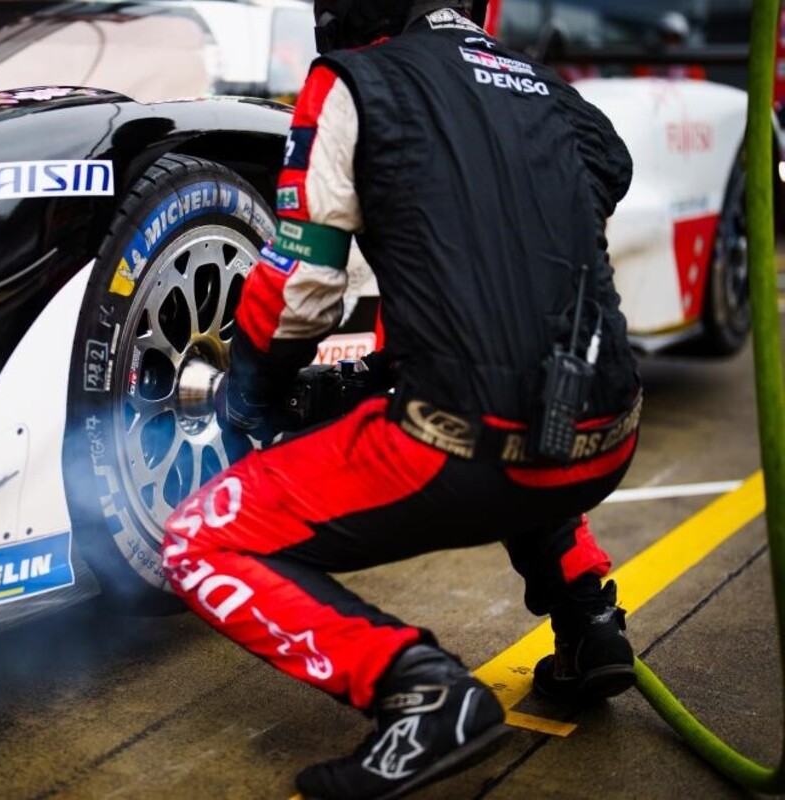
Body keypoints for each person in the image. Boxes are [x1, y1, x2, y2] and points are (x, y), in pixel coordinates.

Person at [160, 1, 643, 798]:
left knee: (199, 541)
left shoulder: (353, 81)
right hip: (607, 433)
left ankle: (422, 695)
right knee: (519, 397)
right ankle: (590, 624)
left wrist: (253, 392)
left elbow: (300, 294)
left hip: (459, 444)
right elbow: (608, 166)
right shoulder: (542, 86)